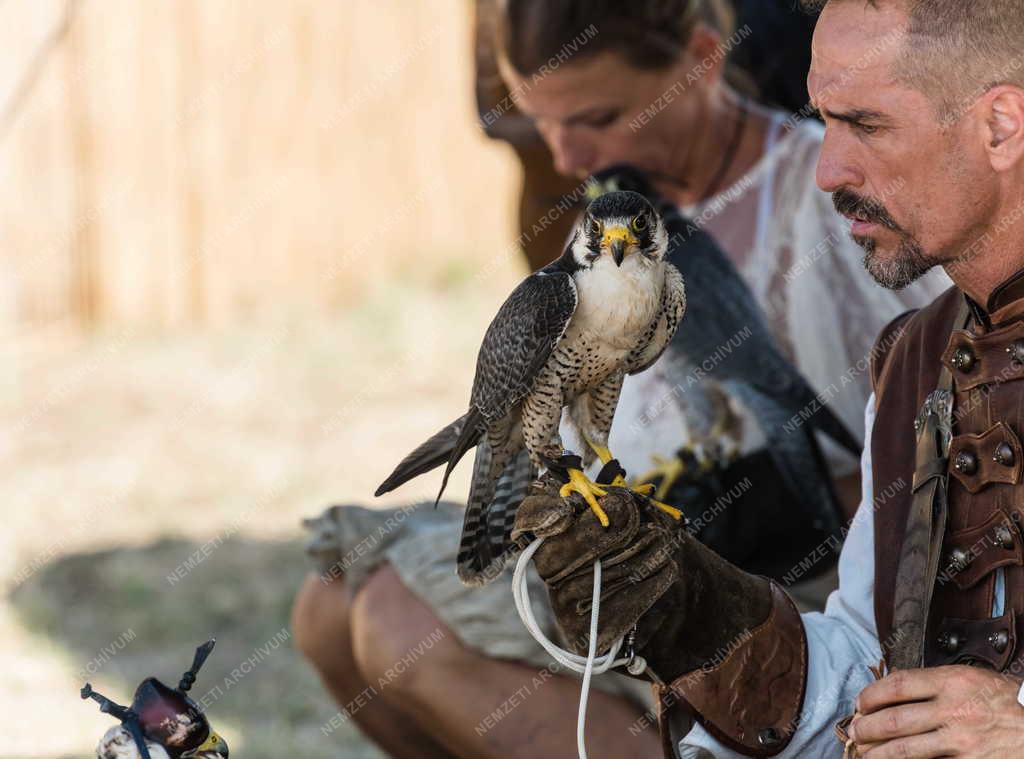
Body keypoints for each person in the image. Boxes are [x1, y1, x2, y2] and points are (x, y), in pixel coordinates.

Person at [291, 2, 947, 757]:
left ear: (702, 58)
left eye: (598, 116)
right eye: (544, 123)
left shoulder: (834, 207)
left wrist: (774, 510)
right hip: (630, 541)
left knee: (395, 619)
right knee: (327, 601)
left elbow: (931, 442)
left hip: (794, 586)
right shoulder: (610, 213)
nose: (567, 156)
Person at [519, 0, 1024, 757]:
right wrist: (698, 614)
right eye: (825, 120)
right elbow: (867, 665)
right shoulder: (917, 358)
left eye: (867, 125)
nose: (827, 170)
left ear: (1001, 125)